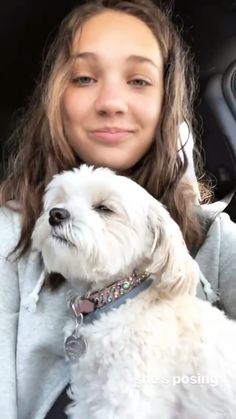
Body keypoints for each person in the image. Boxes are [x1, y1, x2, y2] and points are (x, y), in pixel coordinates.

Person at [0, 0, 236, 418]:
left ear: (167, 103)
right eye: (85, 77)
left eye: (139, 80)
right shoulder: (8, 231)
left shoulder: (213, 235)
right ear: (57, 97)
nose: (111, 101)